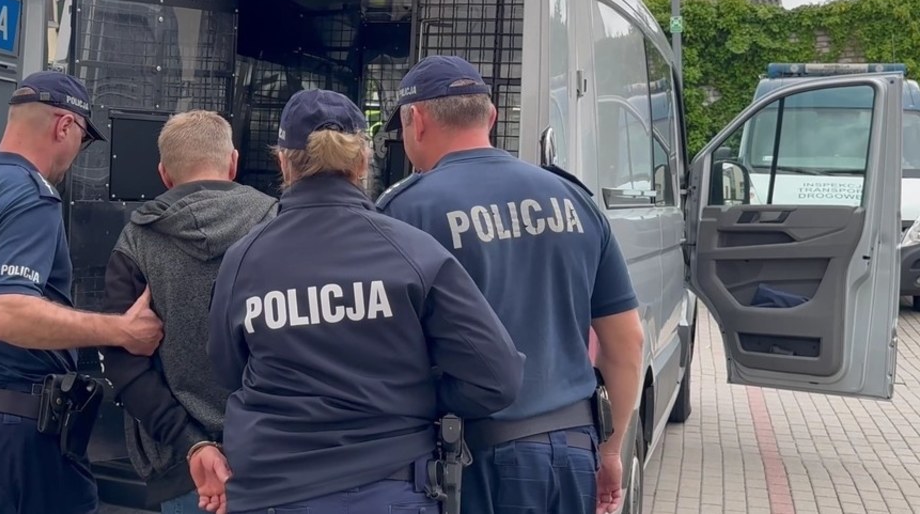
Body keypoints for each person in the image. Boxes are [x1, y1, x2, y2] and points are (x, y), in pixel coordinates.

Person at [204, 88, 525, 514]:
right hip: (391, 485)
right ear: (361, 162)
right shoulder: (413, 251)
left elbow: (228, 369)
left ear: (283, 160)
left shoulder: (244, 258)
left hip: (273, 489)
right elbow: (496, 378)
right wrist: (414, 396)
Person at [375, 55, 646, 514]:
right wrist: (610, 450)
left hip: (474, 462)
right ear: (492, 115)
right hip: (573, 453)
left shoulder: (404, 212)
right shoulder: (572, 198)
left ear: (415, 121)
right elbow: (627, 342)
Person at [0, 70, 165, 514]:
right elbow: (5, 313)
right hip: (15, 434)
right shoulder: (30, 196)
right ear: (64, 126)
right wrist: (122, 331)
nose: (77, 152)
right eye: (82, 139)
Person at [99, 110, 278, 514]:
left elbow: (123, 361)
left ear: (164, 174)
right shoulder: (277, 223)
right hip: (272, 456)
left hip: (183, 468)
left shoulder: (136, 241)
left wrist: (191, 442)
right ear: (232, 161)